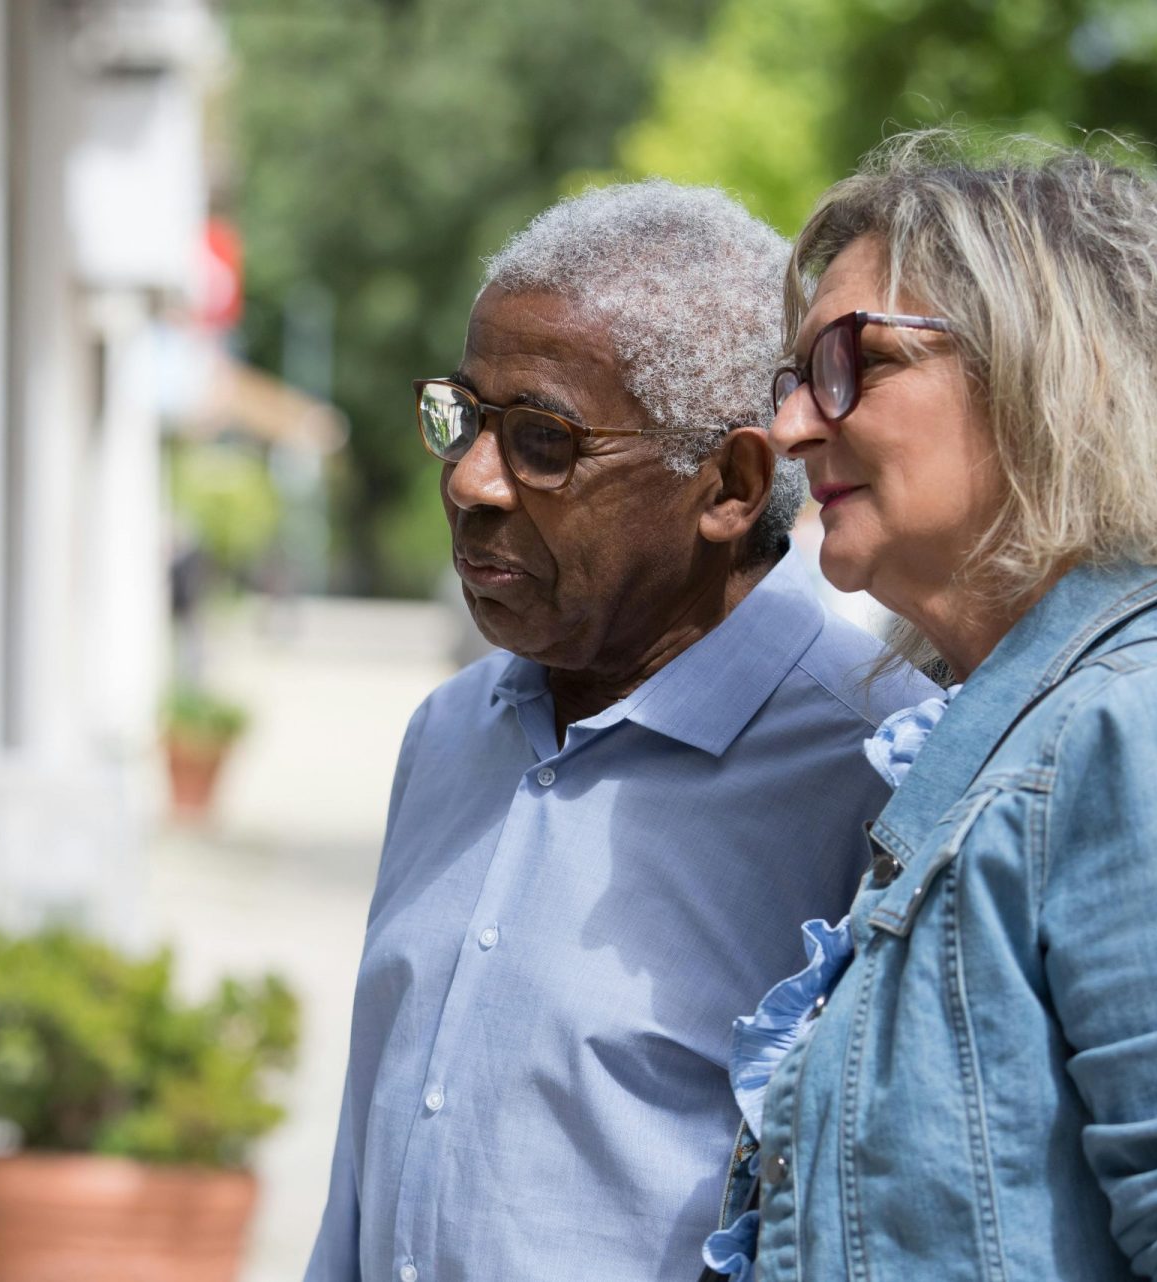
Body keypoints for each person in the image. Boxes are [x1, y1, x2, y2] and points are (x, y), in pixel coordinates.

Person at [705, 131, 1157, 1281]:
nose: (790, 428)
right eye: (794, 378)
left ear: (1045, 373)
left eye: (847, 361)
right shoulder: (1021, 733)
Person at [304, 180, 937, 1282]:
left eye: (544, 441)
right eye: (463, 417)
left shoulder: (876, 775)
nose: (470, 480)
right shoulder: (452, 730)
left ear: (732, 485)